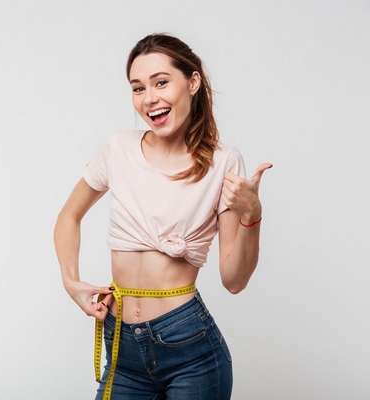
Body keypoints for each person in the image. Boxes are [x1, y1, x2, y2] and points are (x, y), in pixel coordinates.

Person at [53, 33, 271, 400]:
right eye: (138, 88)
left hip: (190, 351)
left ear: (193, 82)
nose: (149, 98)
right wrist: (71, 281)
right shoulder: (116, 148)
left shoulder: (223, 162)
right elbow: (68, 216)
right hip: (121, 347)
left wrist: (253, 216)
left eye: (161, 82)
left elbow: (234, 280)